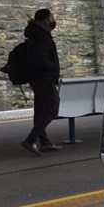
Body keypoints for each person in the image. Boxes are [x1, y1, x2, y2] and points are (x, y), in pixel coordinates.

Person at [20, 8, 62, 156]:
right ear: (46, 20)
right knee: (52, 107)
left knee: (40, 110)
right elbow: (40, 59)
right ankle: (30, 140)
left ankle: (44, 143)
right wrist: (53, 67)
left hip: (38, 78)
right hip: (43, 78)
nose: (53, 20)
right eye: (51, 17)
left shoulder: (37, 34)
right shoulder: (41, 37)